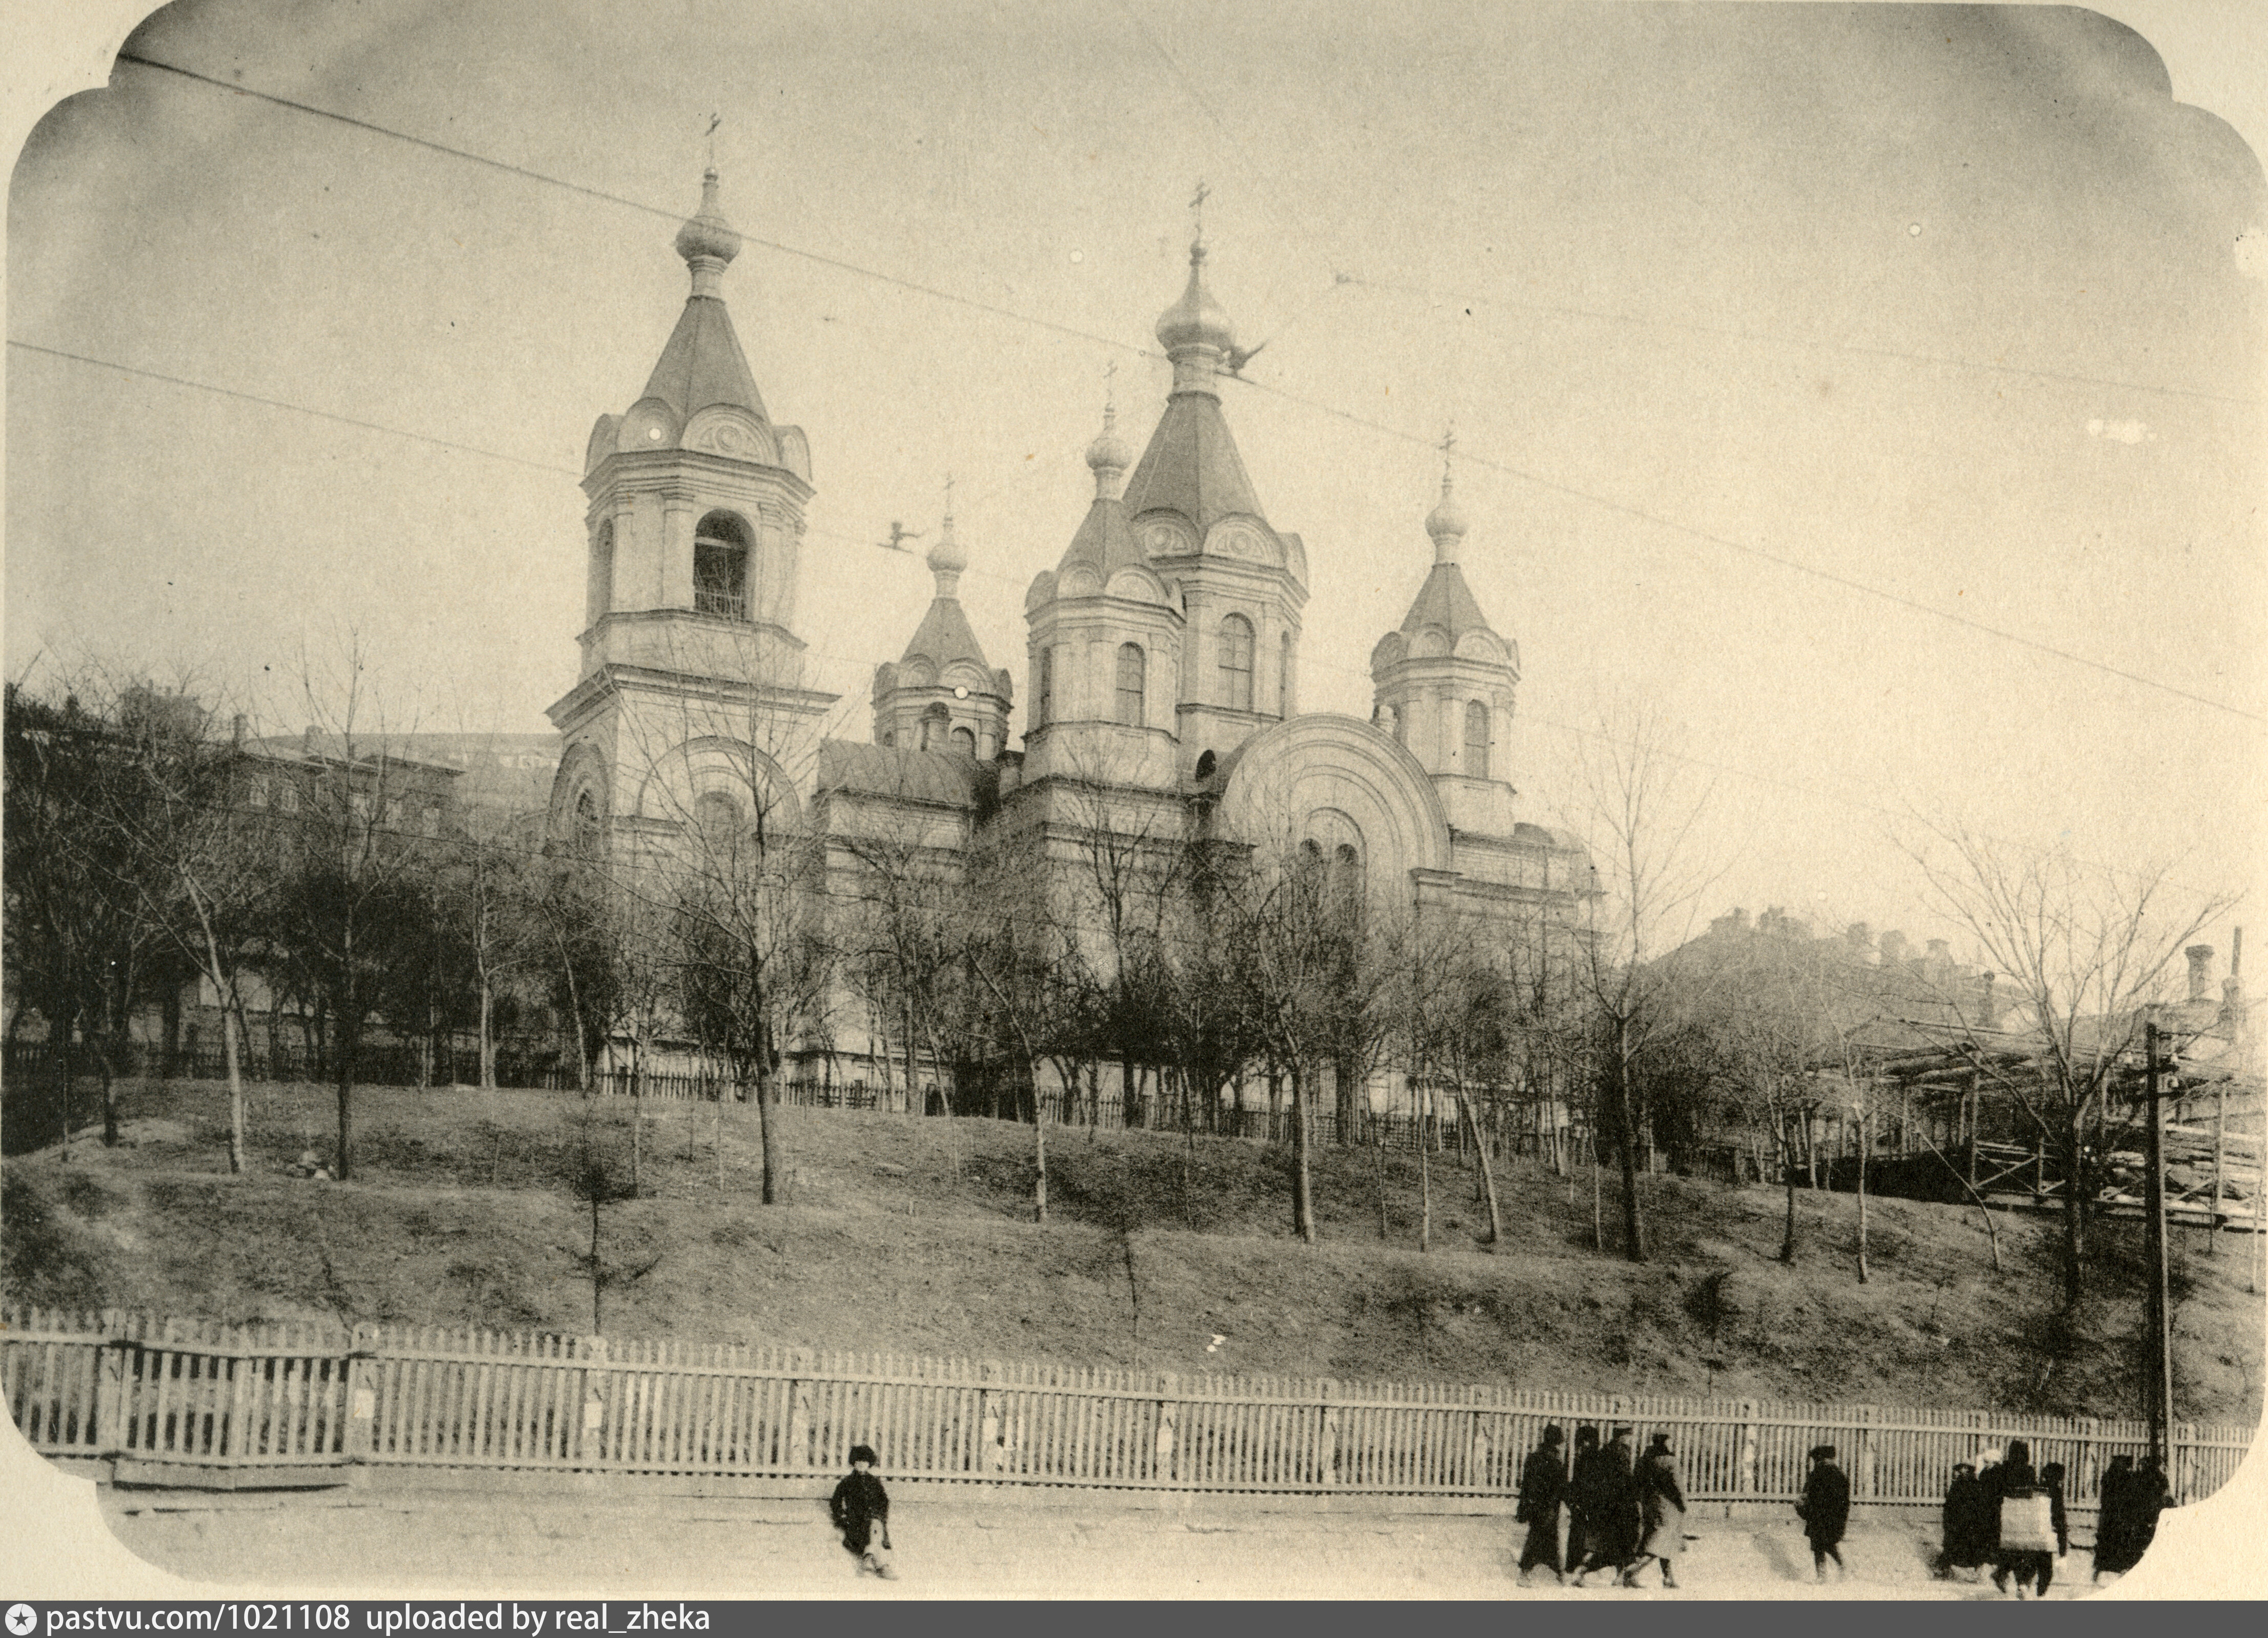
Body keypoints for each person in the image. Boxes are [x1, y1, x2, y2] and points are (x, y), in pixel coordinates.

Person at [1571, 1425, 1639, 1586]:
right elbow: (1625, 1478)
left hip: (1606, 1503)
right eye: (1629, 1436)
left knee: (1608, 1542)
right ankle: (1585, 1572)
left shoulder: (1607, 1450)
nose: (1631, 1439)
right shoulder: (1620, 1451)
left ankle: (1621, 1577)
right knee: (1622, 1540)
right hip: (1619, 1504)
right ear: (1622, 1436)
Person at [1985, 1438, 2053, 1598]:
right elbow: (2032, 1492)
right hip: (2026, 1516)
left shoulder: (2003, 1469)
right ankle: (2023, 1583)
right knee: (2028, 1552)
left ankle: (2004, 1575)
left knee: (2012, 1551)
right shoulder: (2029, 1471)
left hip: (2007, 1515)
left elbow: (1997, 1491)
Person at [1623, 1432, 1687, 1589]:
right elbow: (1678, 1486)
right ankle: (1632, 1571)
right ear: (1666, 1442)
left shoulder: (1644, 1460)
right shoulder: (1671, 1461)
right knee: (1660, 1542)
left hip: (1649, 1505)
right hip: (1668, 1507)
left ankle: (1668, 1578)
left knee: (1661, 1540)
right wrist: (1683, 1504)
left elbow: (1636, 1483)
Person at [830, 1443, 895, 1578]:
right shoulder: (847, 1482)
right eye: (858, 1461)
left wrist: (881, 1516)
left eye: (864, 1462)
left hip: (874, 1518)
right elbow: (835, 1501)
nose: (861, 1464)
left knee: (876, 1525)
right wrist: (841, 1517)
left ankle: (868, 1559)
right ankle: (881, 1567)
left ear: (869, 1464)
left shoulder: (875, 1482)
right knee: (873, 1529)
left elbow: (884, 1502)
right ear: (853, 1463)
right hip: (856, 1520)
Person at [1515, 1424, 1568, 1585]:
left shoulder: (1533, 1458)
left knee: (1546, 1539)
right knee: (1538, 1539)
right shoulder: (1556, 1461)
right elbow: (1561, 1487)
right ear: (1557, 1442)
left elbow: (1526, 1485)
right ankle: (1526, 1574)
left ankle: (1560, 1573)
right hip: (1549, 1508)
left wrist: (1524, 1508)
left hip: (1535, 1507)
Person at [1798, 1444, 1851, 1582]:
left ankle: (1822, 1575)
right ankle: (1842, 1567)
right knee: (1829, 1544)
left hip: (1818, 1517)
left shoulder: (1816, 1474)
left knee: (1818, 1546)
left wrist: (1805, 1511)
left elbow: (1805, 1497)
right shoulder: (1840, 1475)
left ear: (1819, 1459)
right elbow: (1845, 1501)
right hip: (1834, 1518)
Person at [1934, 1461, 1990, 1580]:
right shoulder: (1965, 1484)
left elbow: (1953, 1505)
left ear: (1967, 1470)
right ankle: (1949, 1570)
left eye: (1963, 1469)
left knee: (1959, 1546)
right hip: (1964, 1521)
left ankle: (1948, 1569)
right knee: (1960, 1546)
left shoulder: (1967, 1485)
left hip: (1964, 1522)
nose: (1959, 1472)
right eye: (1959, 1469)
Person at [1562, 1425, 1603, 1579]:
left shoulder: (1587, 1458)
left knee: (1581, 1536)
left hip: (1586, 1503)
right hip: (1585, 1503)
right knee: (1584, 1537)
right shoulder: (1584, 1459)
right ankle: (1575, 1570)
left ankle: (1574, 1569)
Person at [2090, 1454, 2135, 1582]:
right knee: (2118, 1539)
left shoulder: (2108, 1476)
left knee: (2106, 1539)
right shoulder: (2125, 1478)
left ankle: (2102, 1566)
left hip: (2109, 1515)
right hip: (2120, 1515)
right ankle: (2115, 1565)